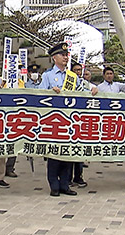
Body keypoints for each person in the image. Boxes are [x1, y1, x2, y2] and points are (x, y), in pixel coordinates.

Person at [38, 42, 97, 196]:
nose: (65, 57)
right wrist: (50, 91)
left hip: (70, 121)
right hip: (53, 121)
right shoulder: (47, 76)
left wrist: (92, 89)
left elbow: (82, 89)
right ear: (54, 58)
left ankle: (65, 184)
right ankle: (54, 185)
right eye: (62, 55)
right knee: (54, 154)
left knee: (67, 154)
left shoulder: (72, 76)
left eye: (66, 55)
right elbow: (38, 94)